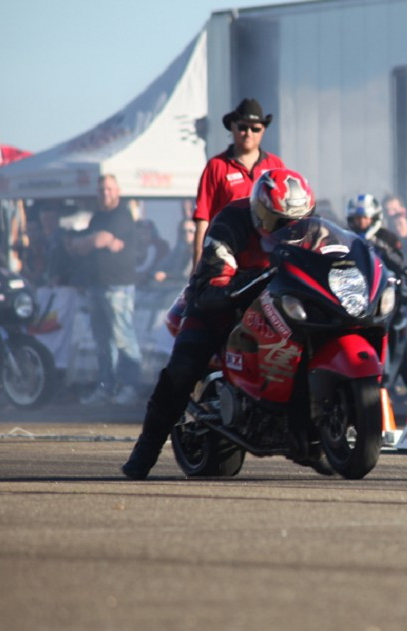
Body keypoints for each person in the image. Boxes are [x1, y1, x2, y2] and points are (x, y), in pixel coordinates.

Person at [122, 168, 316, 480]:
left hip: (278, 304)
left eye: (297, 220)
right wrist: (238, 285)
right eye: (280, 221)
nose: (289, 228)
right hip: (220, 302)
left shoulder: (309, 227)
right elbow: (213, 276)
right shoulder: (232, 220)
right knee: (184, 368)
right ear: (261, 211)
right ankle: (145, 450)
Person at [71, 175, 144, 405]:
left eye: (110, 188)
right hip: (96, 286)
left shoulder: (121, 214)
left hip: (118, 286)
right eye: (102, 189)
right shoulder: (97, 217)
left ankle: (131, 388)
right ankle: (106, 387)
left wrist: (94, 241)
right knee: (102, 341)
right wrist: (94, 240)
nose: (106, 193)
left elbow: (95, 241)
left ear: (118, 191)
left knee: (123, 337)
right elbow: (78, 245)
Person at [346, 193, 407, 397]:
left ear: (374, 217)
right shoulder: (346, 238)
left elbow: (399, 262)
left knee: (400, 347)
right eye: (356, 218)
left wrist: (377, 245)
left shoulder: (387, 237)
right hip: (358, 301)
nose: (360, 222)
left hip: (388, 301)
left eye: (364, 218)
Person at [191, 98, 286, 264]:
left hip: (266, 258)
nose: (248, 133)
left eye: (255, 128)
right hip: (225, 256)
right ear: (233, 127)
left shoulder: (276, 165)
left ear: (263, 130)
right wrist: (198, 266)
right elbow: (203, 219)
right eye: (243, 127)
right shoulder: (216, 166)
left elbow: (287, 214)